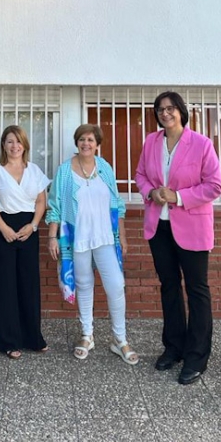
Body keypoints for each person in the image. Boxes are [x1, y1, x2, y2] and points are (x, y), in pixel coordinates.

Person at [135, 91, 221, 385]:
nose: (165, 113)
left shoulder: (201, 144)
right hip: (158, 227)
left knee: (197, 290)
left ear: (181, 111)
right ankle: (173, 347)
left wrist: (179, 196)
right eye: (160, 109)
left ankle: (196, 356)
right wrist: (151, 192)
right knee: (169, 287)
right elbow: (140, 175)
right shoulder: (151, 141)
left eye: (171, 108)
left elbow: (214, 186)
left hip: (192, 228)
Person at [46, 124, 138, 365]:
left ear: (97, 144)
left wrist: (123, 236)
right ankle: (87, 335)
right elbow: (55, 205)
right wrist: (52, 237)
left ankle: (120, 339)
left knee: (116, 285)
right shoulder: (65, 171)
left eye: (90, 140)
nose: (86, 143)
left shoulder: (104, 168)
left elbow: (117, 204)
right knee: (84, 284)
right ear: (76, 142)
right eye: (82, 139)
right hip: (77, 238)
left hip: (105, 236)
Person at [0, 125, 49, 359]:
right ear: (3, 145)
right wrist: (3, 228)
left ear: (25, 145)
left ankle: (32, 338)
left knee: (28, 284)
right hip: (3, 230)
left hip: (29, 230)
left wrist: (34, 225)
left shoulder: (34, 170)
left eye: (18, 141)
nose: (14, 146)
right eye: (10, 141)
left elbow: (41, 201)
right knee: (5, 286)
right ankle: (8, 340)